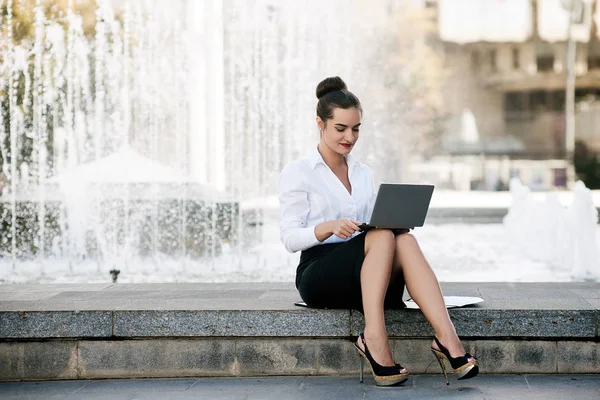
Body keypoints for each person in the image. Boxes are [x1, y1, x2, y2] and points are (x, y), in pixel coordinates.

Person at [277, 76, 479, 387]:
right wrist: (328, 227)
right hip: (320, 272)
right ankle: (374, 338)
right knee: (384, 237)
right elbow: (290, 238)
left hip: (371, 268)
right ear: (320, 123)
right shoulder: (299, 171)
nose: (350, 137)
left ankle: (447, 339)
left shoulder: (363, 172)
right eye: (340, 129)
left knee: (404, 238)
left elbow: (374, 223)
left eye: (356, 128)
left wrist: (394, 222)